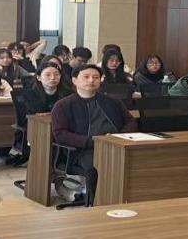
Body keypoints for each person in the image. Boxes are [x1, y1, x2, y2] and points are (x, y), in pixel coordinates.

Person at [51, 64, 135, 204]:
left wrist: (119, 137)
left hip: (116, 144)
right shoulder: (63, 105)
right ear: (74, 80)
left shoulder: (112, 101)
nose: (91, 80)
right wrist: (92, 141)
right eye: (86, 77)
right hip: (83, 150)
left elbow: (130, 121)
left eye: (96, 77)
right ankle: (94, 202)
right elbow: (61, 134)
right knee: (98, 165)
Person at [13, 62, 73, 161]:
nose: (53, 78)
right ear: (39, 77)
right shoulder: (29, 94)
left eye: (56, 74)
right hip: (36, 129)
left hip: (62, 127)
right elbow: (35, 115)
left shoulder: (69, 94)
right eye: (48, 75)